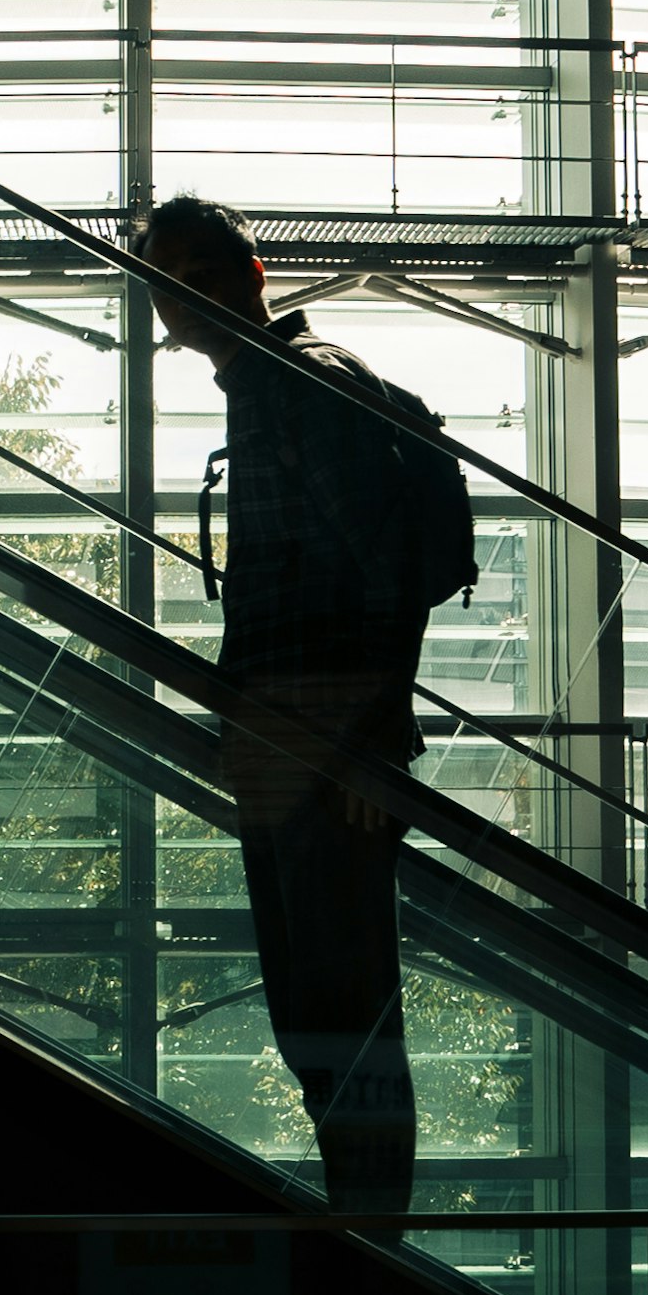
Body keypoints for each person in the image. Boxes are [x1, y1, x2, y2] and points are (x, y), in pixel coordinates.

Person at [135, 196, 474, 1223]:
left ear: (255, 269)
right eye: (165, 279)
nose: (180, 298)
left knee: (340, 1005)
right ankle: (364, 1219)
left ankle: (374, 1232)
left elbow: (384, 569)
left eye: (201, 273)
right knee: (316, 1008)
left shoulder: (298, 383)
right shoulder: (270, 386)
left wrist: (369, 742)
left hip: (323, 740)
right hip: (291, 737)